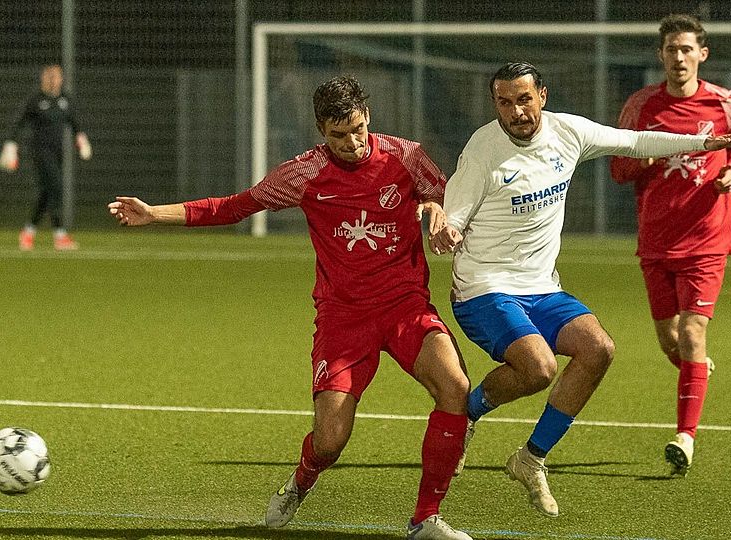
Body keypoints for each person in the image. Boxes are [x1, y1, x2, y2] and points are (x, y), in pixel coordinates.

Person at [108, 76, 473, 540]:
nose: (352, 143)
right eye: (339, 135)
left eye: (358, 129)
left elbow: (448, 195)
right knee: (330, 441)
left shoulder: (406, 156)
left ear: (368, 118)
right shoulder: (303, 174)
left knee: (454, 386)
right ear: (322, 130)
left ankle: (425, 519)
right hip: (344, 319)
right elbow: (234, 206)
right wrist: (154, 213)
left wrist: (438, 209)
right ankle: (303, 478)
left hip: (406, 306)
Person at [430, 62, 731, 517]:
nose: (516, 112)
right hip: (484, 288)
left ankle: (530, 459)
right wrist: (446, 229)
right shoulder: (482, 150)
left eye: (524, 100)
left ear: (542, 96)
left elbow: (635, 142)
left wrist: (704, 143)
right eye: (504, 103)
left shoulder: (568, 132)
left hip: (541, 287)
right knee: (539, 368)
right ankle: (469, 411)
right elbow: (454, 215)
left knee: (598, 349)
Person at [610, 14, 731, 477]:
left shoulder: (725, 101)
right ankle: (696, 369)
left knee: (692, 333)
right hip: (656, 240)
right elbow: (618, 170)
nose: (679, 57)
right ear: (661, 55)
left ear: (702, 54)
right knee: (669, 340)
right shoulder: (641, 105)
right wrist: (646, 158)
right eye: (671, 49)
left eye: (687, 49)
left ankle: (684, 438)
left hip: (707, 238)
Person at [0, 63, 91, 251]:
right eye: (49, 77)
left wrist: (82, 141)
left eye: (56, 77)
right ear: (43, 79)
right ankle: (60, 235)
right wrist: (11, 145)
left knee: (47, 193)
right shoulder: (36, 100)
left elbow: (75, 124)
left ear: (61, 79)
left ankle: (28, 232)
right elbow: (19, 123)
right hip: (40, 152)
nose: (53, 80)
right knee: (56, 187)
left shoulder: (65, 100)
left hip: (58, 154)